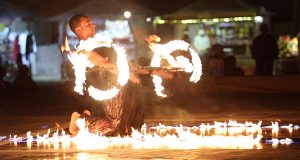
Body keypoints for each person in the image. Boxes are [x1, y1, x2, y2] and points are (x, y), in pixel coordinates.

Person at [67, 13, 172, 136]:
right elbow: (105, 65)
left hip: (124, 90)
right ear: (78, 29)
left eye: (92, 23)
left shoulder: (105, 44)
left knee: (129, 130)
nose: (93, 25)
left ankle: (87, 116)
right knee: (113, 127)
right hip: (110, 91)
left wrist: (153, 71)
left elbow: (129, 66)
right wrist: (126, 73)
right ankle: (80, 121)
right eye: (88, 24)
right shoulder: (84, 51)